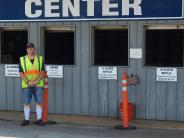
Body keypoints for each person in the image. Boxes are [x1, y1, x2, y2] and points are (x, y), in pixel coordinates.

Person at [19, 43, 45, 126]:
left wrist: (36, 81)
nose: (30, 50)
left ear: (34, 49)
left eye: (32, 48)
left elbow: (43, 72)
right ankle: (26, 120)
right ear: (26, 50)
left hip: (38, 84)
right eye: (28, 49)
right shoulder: (22, 59)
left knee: (39, 102)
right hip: (27, 84)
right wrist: (28, 82)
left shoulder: (40, 59)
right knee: (26, 103)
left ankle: (39, 120)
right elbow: (21, 73)